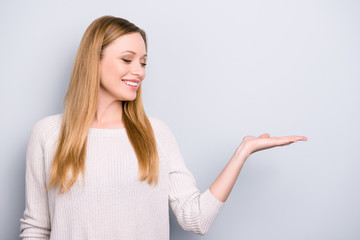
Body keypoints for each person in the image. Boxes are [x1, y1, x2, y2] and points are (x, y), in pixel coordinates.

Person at [19, 15, 308, 240]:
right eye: (127, 59)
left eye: (143, 62)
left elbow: (196, 219)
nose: (139, 72)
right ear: (93, 61)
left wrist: (243, 152)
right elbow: (36, 227)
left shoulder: (155, 134)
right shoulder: (47, 134)